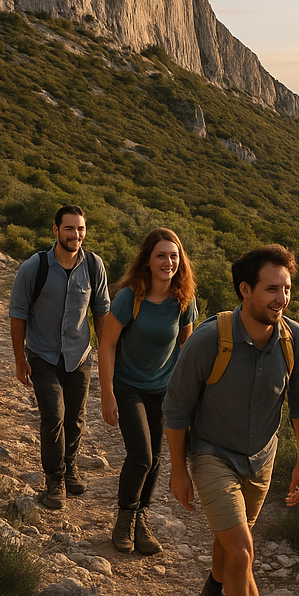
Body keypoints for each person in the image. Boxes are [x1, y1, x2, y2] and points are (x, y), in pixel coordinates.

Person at [164, 244, 299, 596]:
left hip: (262, 459)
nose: (282, 299)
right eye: (272, 289)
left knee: (232, 546)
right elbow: (176, 408)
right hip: (212, 454)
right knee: (243, 550)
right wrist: (177, 470)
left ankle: (212, 595)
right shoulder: (210, 339)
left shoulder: (295, 341)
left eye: (287, 289)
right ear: (245, 290)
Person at [98, 228, 198, 555]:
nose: (168, 262)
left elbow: (187, 347)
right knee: (141, 455)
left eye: (173, 256)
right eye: (161, 255)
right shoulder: (130, 297)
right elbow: (107, 344)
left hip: (163, 391)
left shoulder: (184, 299)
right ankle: (124, 518)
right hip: (128, 386)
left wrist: (189, 395)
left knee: (156, 459)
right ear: (148, 260)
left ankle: (141, 519)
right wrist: (107, 394)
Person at [9, 206, 110, 509]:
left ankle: (71, 468)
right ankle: (55, 480)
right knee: (53, 416)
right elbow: (17, 313)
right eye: (69, 228)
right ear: (56, 230)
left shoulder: (94, 266)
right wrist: (18, 359)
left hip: (79, 356)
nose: (75, 235)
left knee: (75, 417)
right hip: (42, 355)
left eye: (80, 229)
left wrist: (106, 354)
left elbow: (102, 312)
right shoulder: (34, 267)